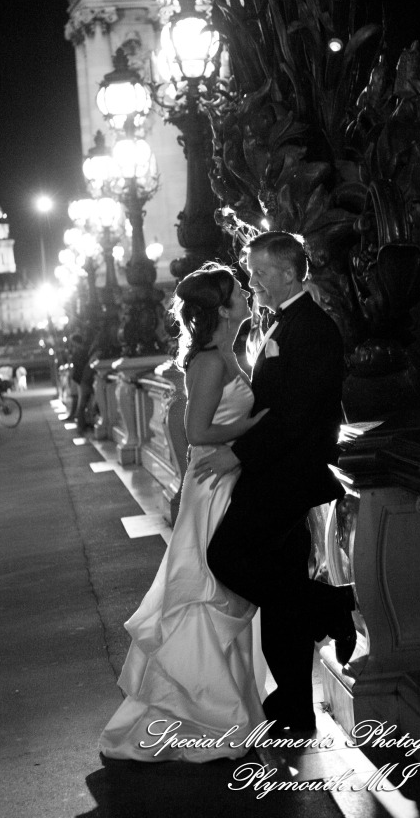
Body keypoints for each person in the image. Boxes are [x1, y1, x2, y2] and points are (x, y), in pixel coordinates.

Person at [99, 265, 269, 762]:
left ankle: (225, 706)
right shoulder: (212, 360)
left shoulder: (228, 352)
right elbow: (197, 431)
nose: (246, 293)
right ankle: (205, 714)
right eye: (237, 291)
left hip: (222, 479)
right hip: (213, 483)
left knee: (221, 593)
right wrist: (257, 426)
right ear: (221, 308)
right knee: (206, 593)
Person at [193, 231, 356, 732]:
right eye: (251, 272)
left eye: (259, 272)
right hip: (274, 469)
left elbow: (295, 416)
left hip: (290, 474)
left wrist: (236, 453)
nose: (252, 282)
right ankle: (294, 703)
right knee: (282, 579)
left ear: (288, 272)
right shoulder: (279, 323)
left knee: (227, 557)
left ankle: (332, 603)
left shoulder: (313, 329)